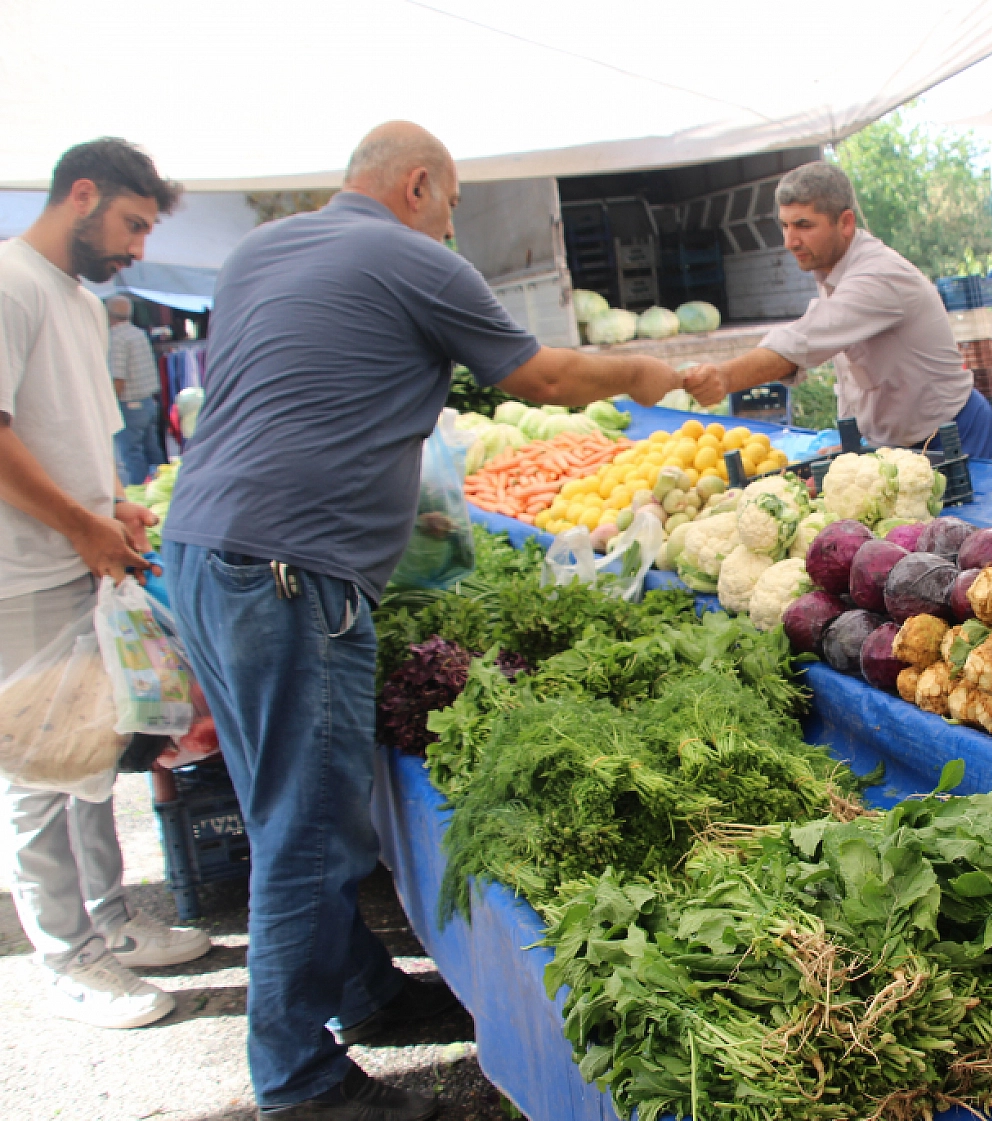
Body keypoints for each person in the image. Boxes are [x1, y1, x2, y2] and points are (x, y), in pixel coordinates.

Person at [162, 121, 691, 1121]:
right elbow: (538, 379)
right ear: (416, 185)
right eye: (449, 204)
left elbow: (299, 394)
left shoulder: (258, 252)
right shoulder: (413, 257)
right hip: (290, 573)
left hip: (199, 549)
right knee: (308, 828)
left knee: (281, 801)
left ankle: (362, 992)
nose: (450, 226)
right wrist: (637, 372)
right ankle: (297, 1080)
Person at [0, 138, 212, 1032]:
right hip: (20, 572)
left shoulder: (84, 306)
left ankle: (112, 920)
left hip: (81, 559)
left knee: (87, 753)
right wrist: (81, 524)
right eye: (131, 224)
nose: (136, 247)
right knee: (34, 766)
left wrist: (111, 506)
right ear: (81, 194)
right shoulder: (9, 283)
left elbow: (72, 434)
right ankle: (67, 953)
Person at [684, 161, 992, 461]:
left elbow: (801, 342)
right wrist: (853, 443)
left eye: (804, 225)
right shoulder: (830, 269)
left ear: (846, 223)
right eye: (785, 226)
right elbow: (853, 373)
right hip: (896, 445)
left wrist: (725, 377)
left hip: (953, 434)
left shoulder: (878, 275)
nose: (790, 241)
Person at [107, 295, 163, 485]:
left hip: (129, 405)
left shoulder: (116, 338)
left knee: (133, 454)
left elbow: (118, 377)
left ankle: (140, 492)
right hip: (147, 402)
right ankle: (163, 487)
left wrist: (109, 406)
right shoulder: (138, 333)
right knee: (153, 451)